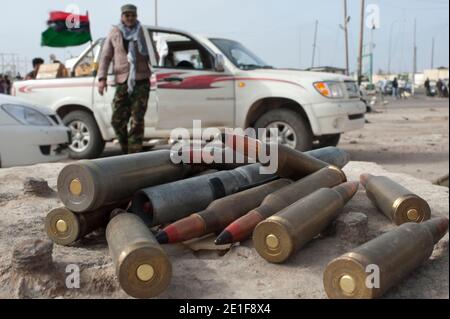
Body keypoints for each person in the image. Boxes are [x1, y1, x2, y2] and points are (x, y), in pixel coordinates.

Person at [98, 4, 151, 154]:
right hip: (122, 80)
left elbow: (153, 54)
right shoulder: (114, 32)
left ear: (136, 16)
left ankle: (134, 155)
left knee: (137, 120)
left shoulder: (143, 31)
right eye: (127, 15)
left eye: (132, 15)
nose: (130, 18)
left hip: (141, 80)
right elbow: (106, 56)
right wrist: (102, 78)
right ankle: (126, 148)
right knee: (117, 120)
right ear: (122, 16)